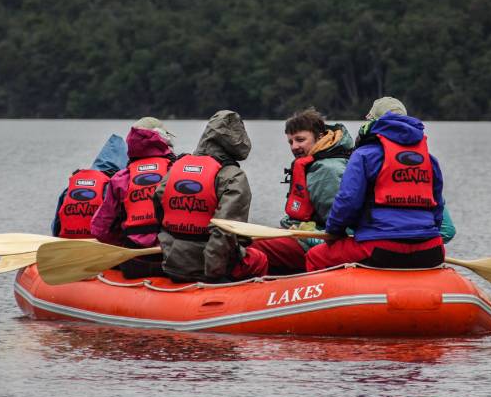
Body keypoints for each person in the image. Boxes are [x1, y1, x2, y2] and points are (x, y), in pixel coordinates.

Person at [305, 97, 453, 272]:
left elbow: (347, 201)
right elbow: (437, 210)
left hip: (380, 246)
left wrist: (334, 233)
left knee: (315, 256)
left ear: (373, 122)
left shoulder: (364, 155)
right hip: (431, 249)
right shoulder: (429, 160)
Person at [154, 110, 266, 282]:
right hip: (206, 269)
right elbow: (226, 229)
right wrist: (213, 274)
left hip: (172, 263)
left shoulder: (176, 168)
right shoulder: (233, 176)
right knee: (260, 258)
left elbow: (159, 209)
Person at [246, 108, 353, 274]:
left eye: (300, 140)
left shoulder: (327, 170)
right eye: (290, 142)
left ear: (319, 137)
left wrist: (302, 235)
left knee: (251, 245)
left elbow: (341, 230)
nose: (294, 147)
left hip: (316, 243)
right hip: (302, 234)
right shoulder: (319, 162)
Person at [90, 117, 175, 277]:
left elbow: (100, 229)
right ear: (164, 141)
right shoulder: (176, 171)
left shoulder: (121, 177)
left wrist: (122, 242)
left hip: (134, 262)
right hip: (172, 261)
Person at [51, 133, 127, 238]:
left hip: (67, 241)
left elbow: (55, 226)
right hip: (99, 244)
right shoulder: (113, 187)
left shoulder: (69, 188)